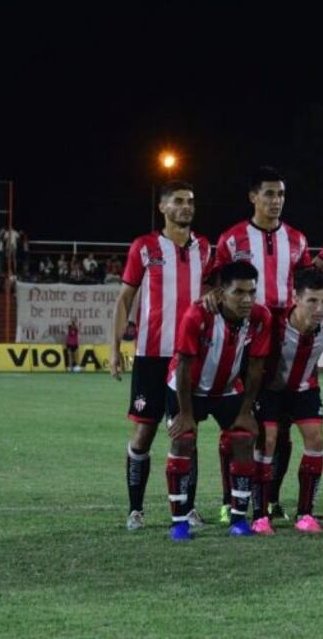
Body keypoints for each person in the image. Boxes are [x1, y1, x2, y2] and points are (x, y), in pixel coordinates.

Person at [110, 180, 212, 532]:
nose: (186, 207)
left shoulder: (205, 248)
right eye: (179, 201)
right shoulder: (144, 247)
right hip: (151, 357)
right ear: (163, 208)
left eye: (191, 201)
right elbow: (125, 299)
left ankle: (189, 507)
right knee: (144, 434)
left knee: (187, 433)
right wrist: (115, 349)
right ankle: (135, 509)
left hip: (188, 358)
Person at [213, 166, 312, 524]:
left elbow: (307, 287)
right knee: (240, 425)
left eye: (281, 194)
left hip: (284, 341)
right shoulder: (232, 239)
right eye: (269, 194)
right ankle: (230, 499)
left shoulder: (298, 240)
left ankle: (269, 500)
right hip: (244, 339)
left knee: (280, 429)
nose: (276, 201)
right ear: (253, 197)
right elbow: (214, 285)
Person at [164, 260, 271, 541]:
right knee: (183, 439)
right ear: (221, 293)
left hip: (226, 388)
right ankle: (179, 522)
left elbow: (257, 367)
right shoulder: (197, 315)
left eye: (252, 292)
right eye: (239, 292)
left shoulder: (261, 317)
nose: (247, 299)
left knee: (244, 437)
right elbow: (184, 366)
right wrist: (186, 414)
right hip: (186, 388)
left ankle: (238, 519)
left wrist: (246, 411)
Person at [252, 268, 323, 534]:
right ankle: (260, 515)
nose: (320, 308)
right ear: (295, 298)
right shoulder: (273, 321)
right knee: (268, 440)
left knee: (316, 439)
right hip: (271, 391)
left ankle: (305, 513)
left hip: (306, 387)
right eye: (312, 301)